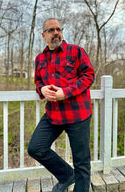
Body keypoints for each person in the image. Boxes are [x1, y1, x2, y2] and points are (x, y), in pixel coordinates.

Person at [28, 18, 95, 192]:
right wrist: (41, 89)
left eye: (58, 29)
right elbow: (38, 81)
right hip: (53, 114)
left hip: (78, 113)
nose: (56, 32)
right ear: (44, 35)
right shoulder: (40, 59)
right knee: (36, 148)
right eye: (51, 30)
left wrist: (66, 92)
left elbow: (88, 76)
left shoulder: (76, 51)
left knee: (81, 162)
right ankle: (66, 175)